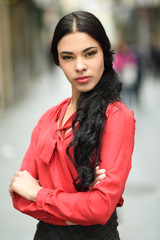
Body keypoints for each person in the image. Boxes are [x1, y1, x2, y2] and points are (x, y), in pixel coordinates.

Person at [9, 11, 135, 240]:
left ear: (105, 55)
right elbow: (19, 196)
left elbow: (99, 208)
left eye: (89, 54)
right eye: (68, 57)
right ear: (58, 61)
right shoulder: (48, 119)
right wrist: (79, 208)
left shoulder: (116, 116)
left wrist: (38, 192)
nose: (80, 66)